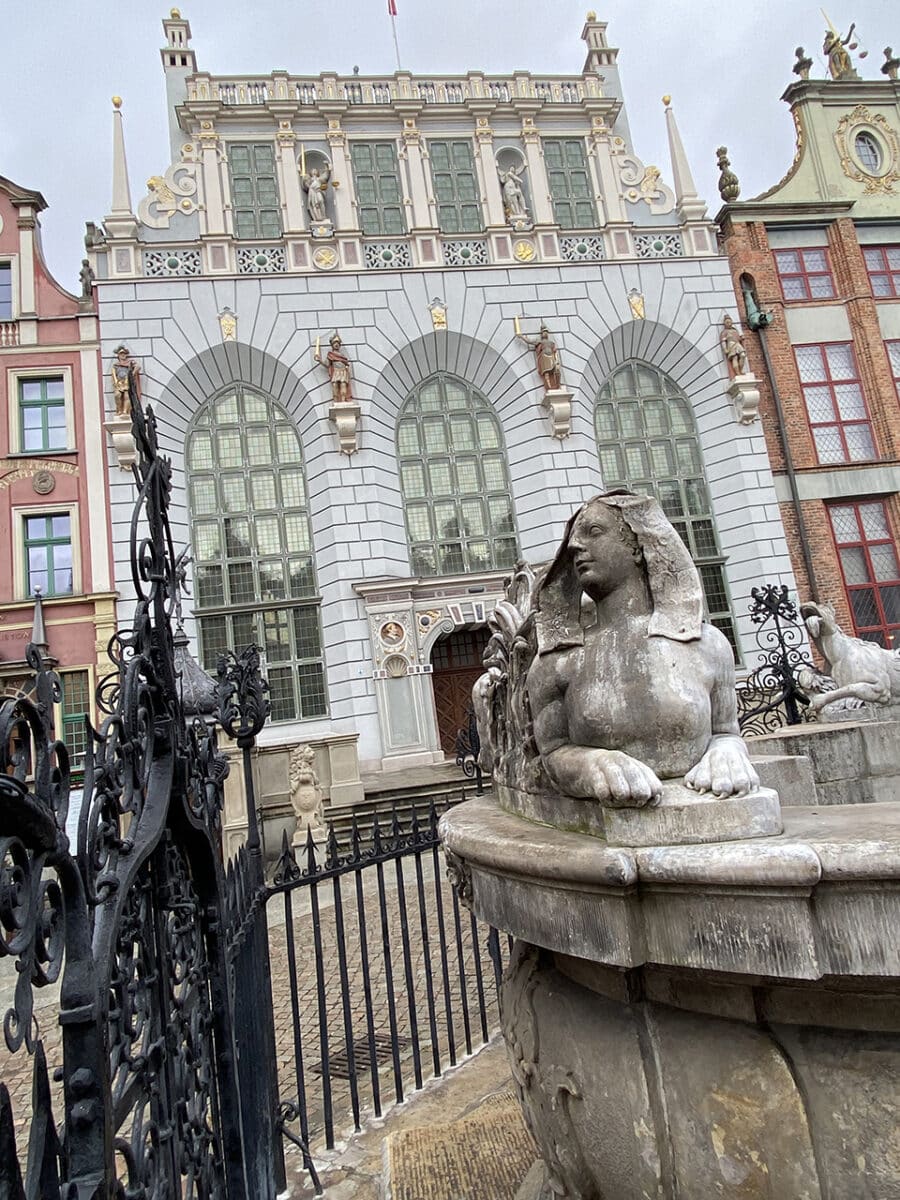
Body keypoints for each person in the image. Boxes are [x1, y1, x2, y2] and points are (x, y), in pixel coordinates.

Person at [526, 490, 758, 807]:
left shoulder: (708, 644)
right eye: (573, 540)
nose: (575, 546)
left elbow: (726, 731)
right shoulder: (557, 661)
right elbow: (551, 752)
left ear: (638, 546)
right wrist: (593, 764)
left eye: (593, 532)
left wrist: (727, 752)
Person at [518, 324, 561, 392]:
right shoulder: (539, 341)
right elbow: (529, 341)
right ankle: (549, 386)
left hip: (551, 358)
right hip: (544, 358)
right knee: (546, 372)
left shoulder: (551, 343)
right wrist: (522, 337)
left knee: (556, 370)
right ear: (541, 334)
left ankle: (557, 385)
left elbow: (555, 351)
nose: (545, 333)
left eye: (546, 332)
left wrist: (556, 360)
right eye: (544, 332)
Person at [315, 333, 352, 402]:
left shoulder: (342, 355)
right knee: (335, 386)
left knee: (343, 385)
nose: (336, 344)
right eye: (335, 343)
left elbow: (346, 363)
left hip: (343, 371)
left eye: (338, 343)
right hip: (336, 372)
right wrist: (320, 360)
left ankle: (343, 401)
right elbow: (327, 364)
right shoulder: (330, 355)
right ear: (332, 345)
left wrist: (346, 367)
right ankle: (336, 400)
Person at [110, 346, 141, 417]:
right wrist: (116, 382)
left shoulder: (130, 363)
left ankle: (125, 411)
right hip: (119, 383)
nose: (123, 355)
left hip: (127, 382)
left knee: (127, 396)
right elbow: (113, 373)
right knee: (117, 395)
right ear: (118, 355)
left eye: (124, 353)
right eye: (121, 353)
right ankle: (119, 410)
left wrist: (132, 374)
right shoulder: (116, 365)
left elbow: (138, 367)